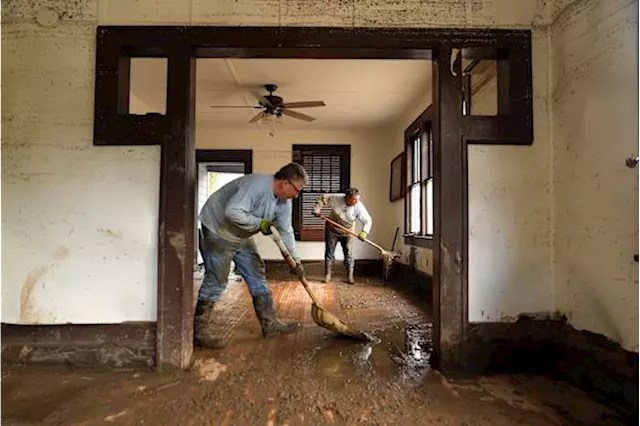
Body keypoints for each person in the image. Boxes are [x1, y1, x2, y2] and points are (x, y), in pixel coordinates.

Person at [195, 162, 308, 348]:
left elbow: (286, 231)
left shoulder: (283, 203)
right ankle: (199, 332)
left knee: (257, 273)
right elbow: (232, 212)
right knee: (217, 279)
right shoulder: (256, 186)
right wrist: (259, 223)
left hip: (240, 235)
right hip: (217, 229)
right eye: (297, 190)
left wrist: (295, 261)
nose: (297, 195)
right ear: (284, 184)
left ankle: (270, 324)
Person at [313, 188, 372, 285]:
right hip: (332, 228)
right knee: (329, 252)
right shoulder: (336, 198)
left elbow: (367, 220)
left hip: (348, 232)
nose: (356, 202)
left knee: (348, 253)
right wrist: (317, 209)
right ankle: (328, 274)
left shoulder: (358, 206)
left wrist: (364, 232)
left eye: (357, 199)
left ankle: (350, 275)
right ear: (347, 198)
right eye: (354, 200)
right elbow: (322, 198)